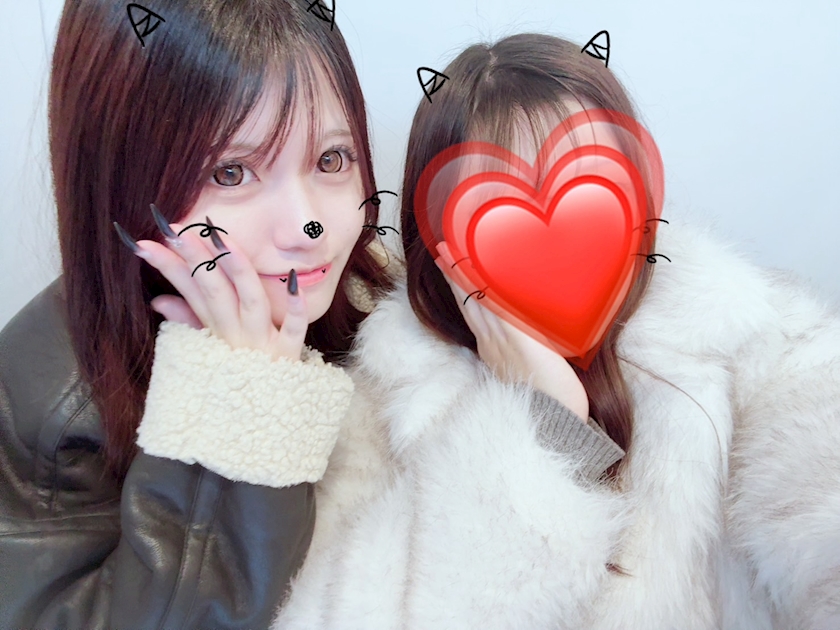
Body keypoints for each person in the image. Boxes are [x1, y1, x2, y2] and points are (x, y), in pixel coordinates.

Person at [272, 33, 840, 629]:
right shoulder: (379, 410)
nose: (555, 240)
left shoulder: (757, 339)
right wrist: (540, 428)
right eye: (498, 209)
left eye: (588, 186)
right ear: (441, 243)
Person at [0, 0, 396, 627]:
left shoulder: (375, 298)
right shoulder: (50, 413)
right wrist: (245, 397)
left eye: (330, 159)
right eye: (231, 172)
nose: (307, 228)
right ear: (119, 177)